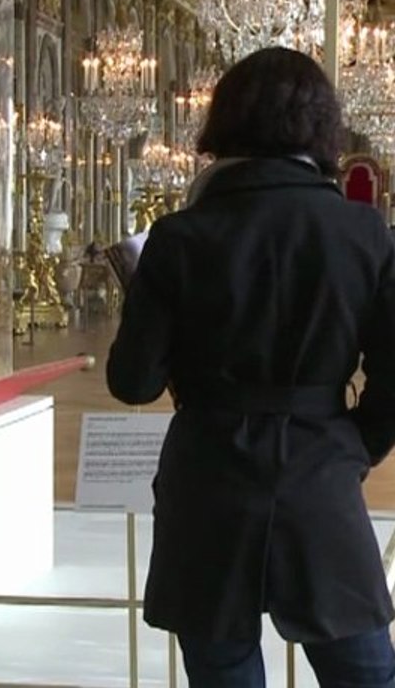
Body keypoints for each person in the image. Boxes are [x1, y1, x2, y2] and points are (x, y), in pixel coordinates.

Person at [107, 46, 395, 686]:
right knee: (367, 674)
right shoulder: (365, 233)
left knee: (224, 673)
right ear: (322, 129)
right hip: (321, 471)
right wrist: (353, 444)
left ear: (224, 122)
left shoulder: (178, 237)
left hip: (209, 476)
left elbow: (133, 382)